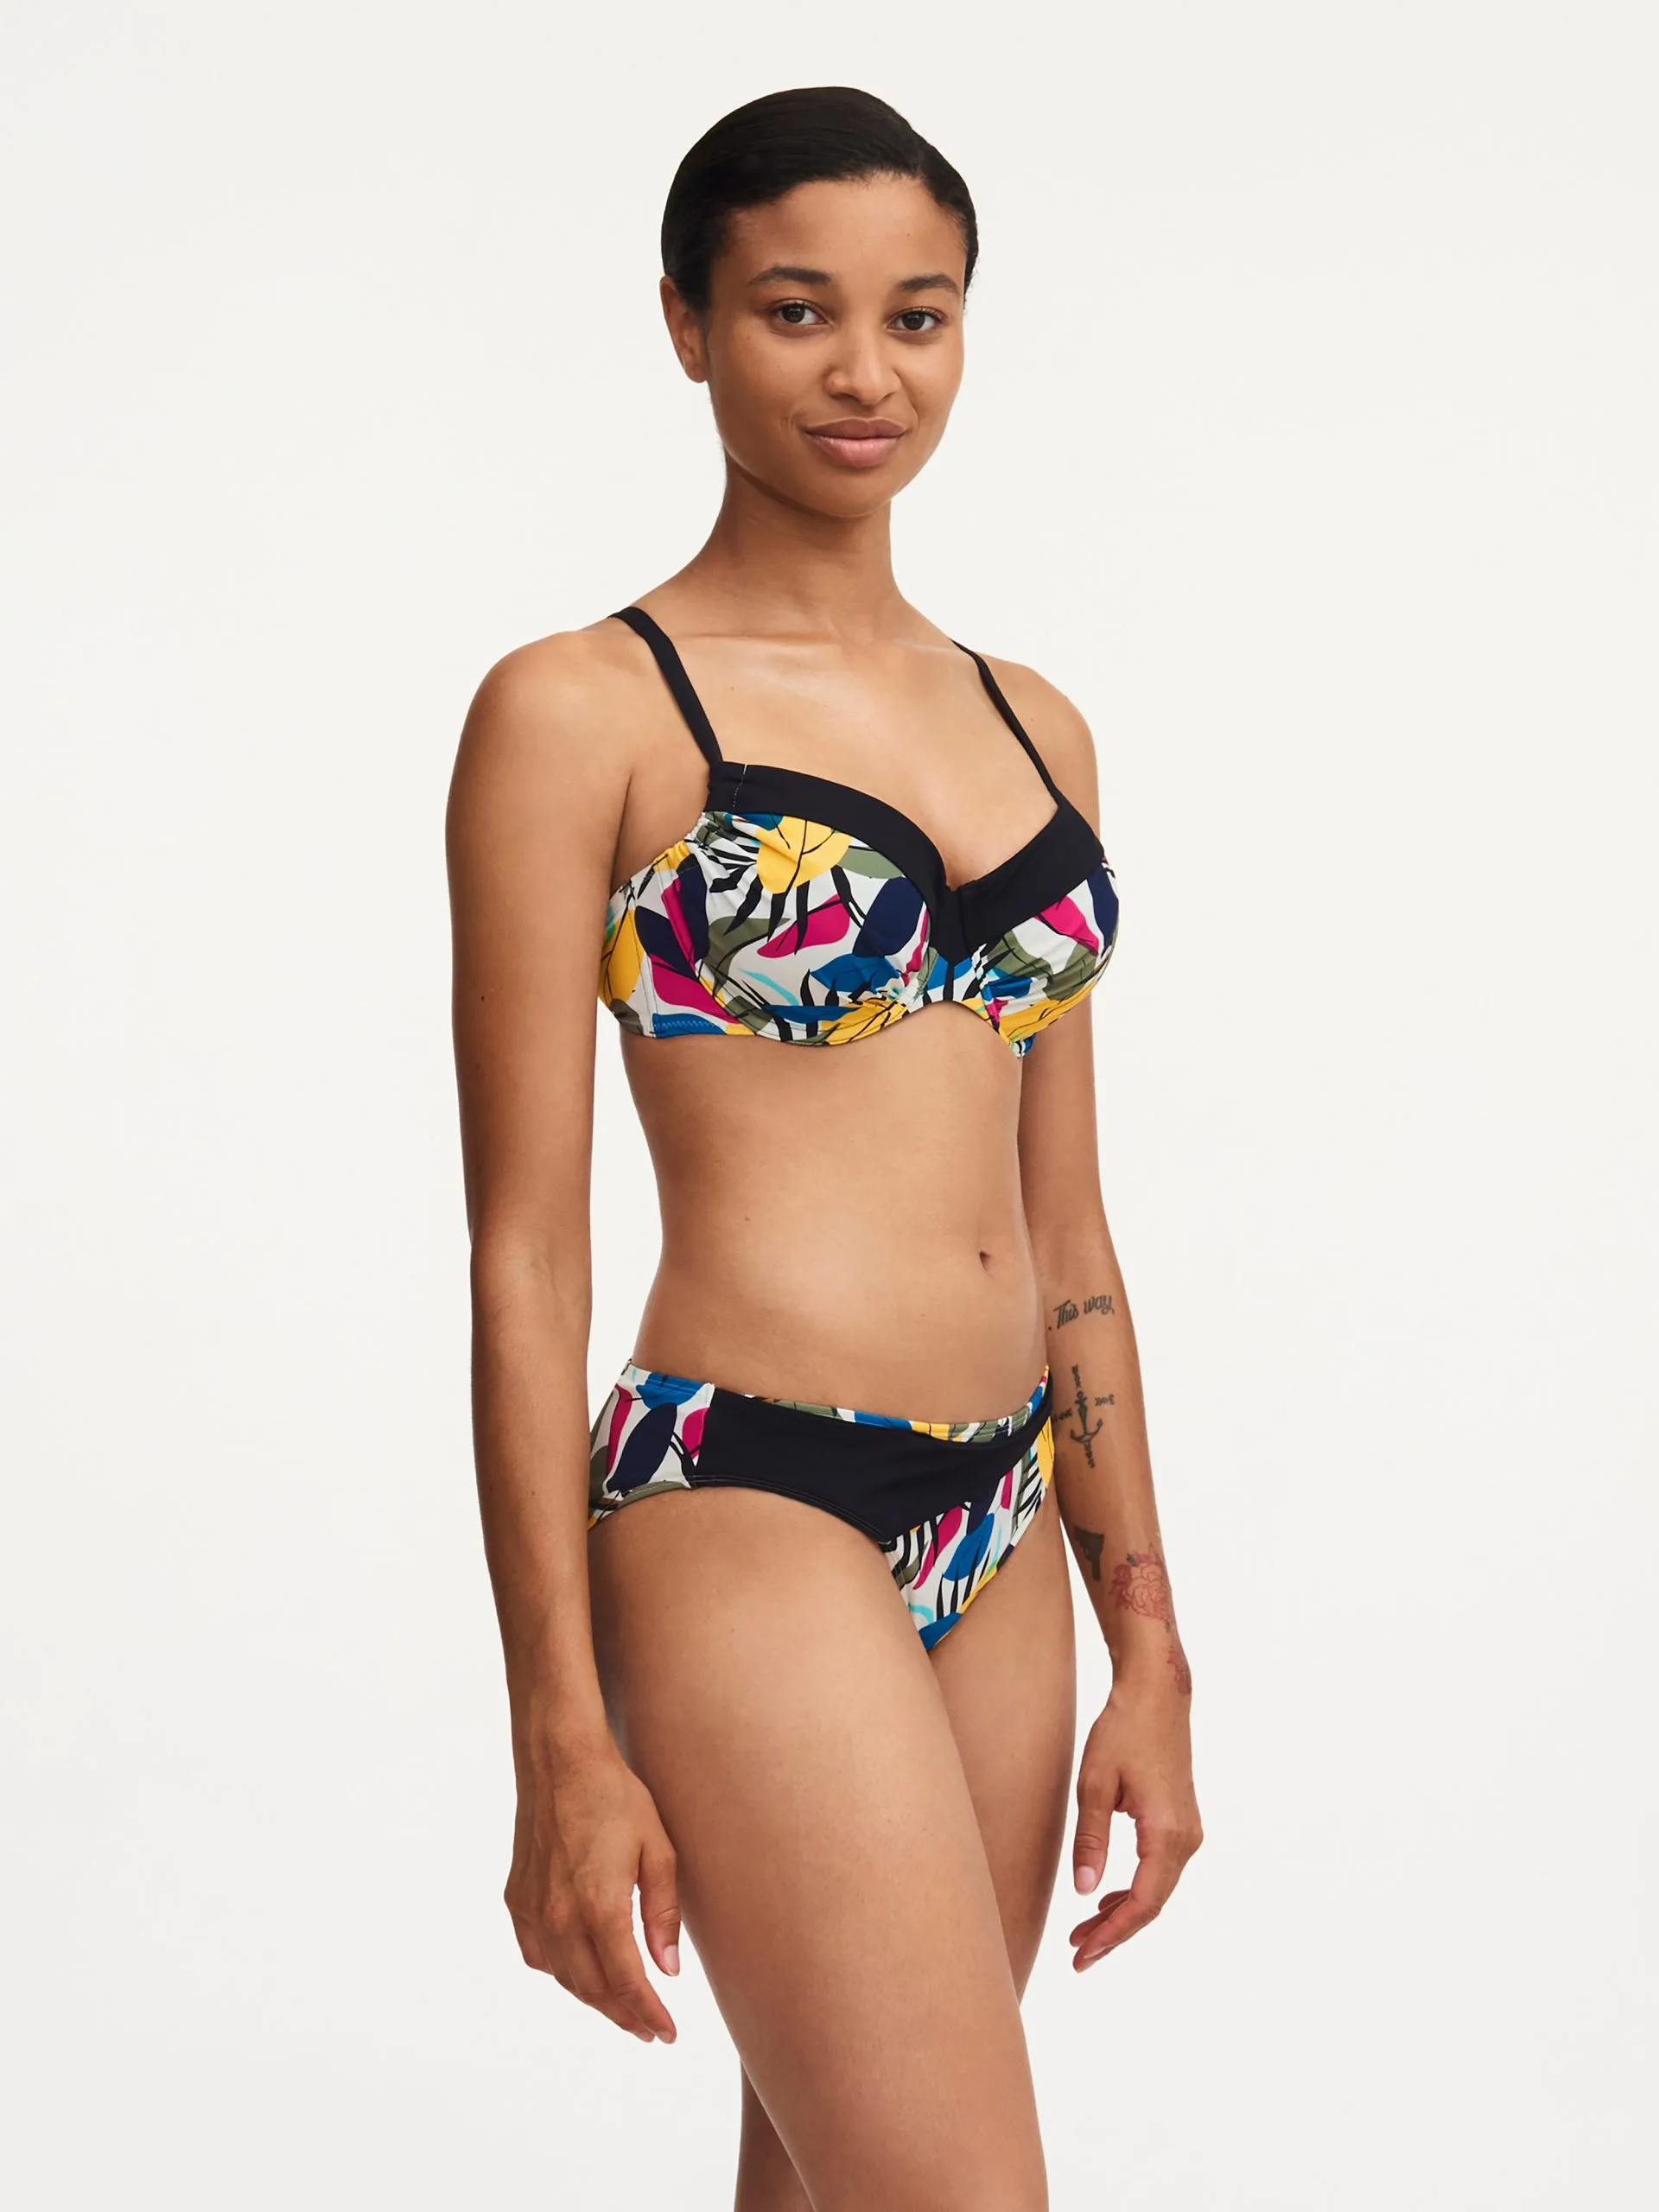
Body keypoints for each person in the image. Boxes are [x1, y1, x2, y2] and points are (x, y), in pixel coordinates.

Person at [446, 84, 1201, 2212]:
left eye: (916, 316)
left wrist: (1149, 1635)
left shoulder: (1034, 722)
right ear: (687, 324)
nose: (866, 371)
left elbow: (1070, 1230)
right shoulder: (582, 709)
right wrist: (557, 1731)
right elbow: (524, 1253)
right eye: (798, 311)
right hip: (746, 1495)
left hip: (1004, 1522)